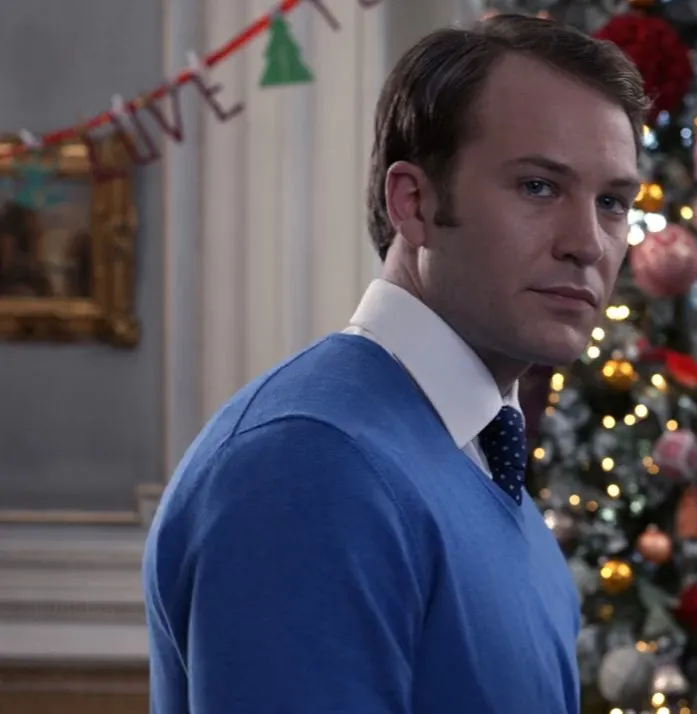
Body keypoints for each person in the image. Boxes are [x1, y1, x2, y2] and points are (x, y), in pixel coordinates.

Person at [142, 14, 647, 714]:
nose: (587, 243)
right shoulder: (311, 463)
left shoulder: (479, 463)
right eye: (538, 186)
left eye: (613, 203)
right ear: (413, 203)